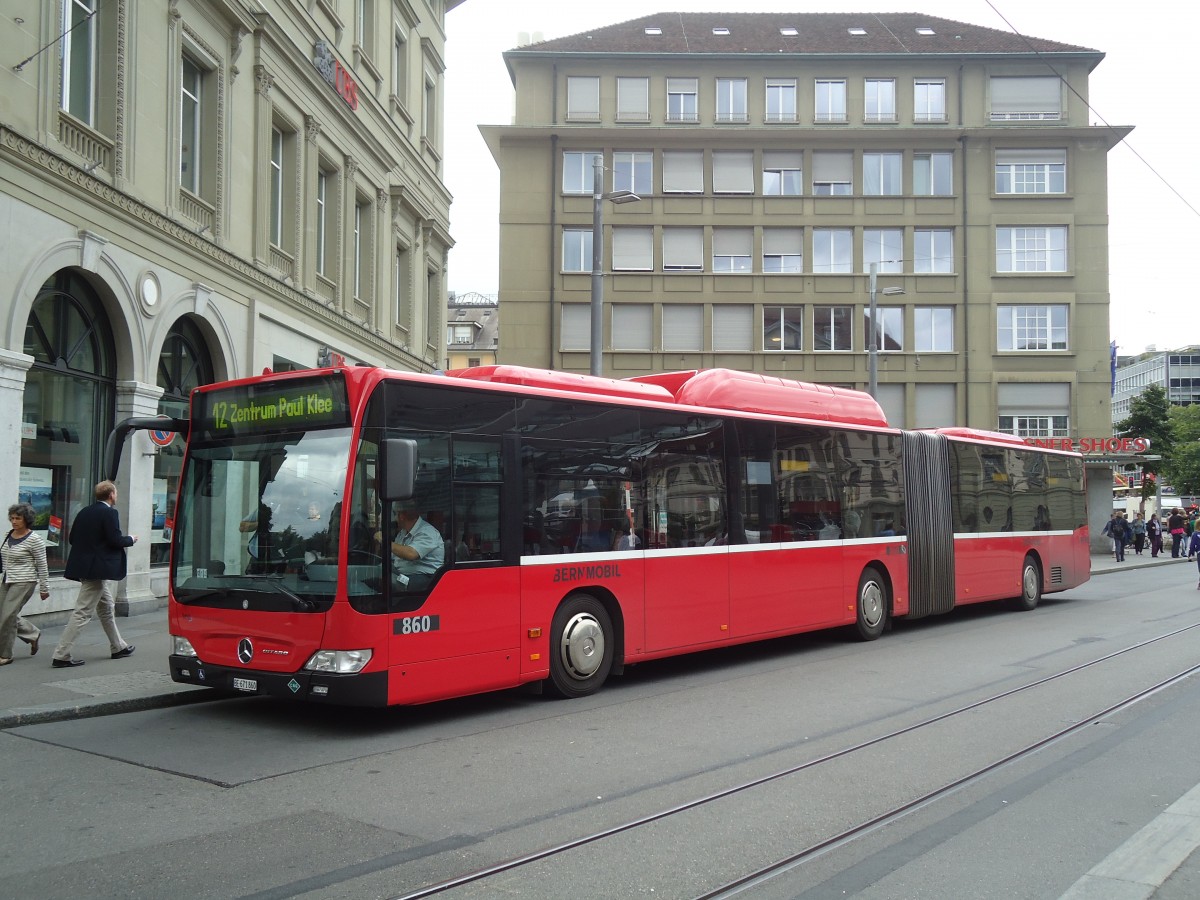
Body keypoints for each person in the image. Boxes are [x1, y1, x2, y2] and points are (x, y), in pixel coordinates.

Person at [51, 481, 137, 668]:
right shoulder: (110, 512)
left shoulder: (84, 511)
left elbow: (73, 538)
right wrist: (130, 539)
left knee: (106, 608)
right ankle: (61, 654)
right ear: (111, 495)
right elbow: (115, 540)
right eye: (116, 492)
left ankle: (118, 646)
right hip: (96, 570)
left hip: (85, 567)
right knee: (82, 612)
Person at [0, 503, 50, 665]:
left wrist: (44, 588)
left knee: (7, 616)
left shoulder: (34, 539)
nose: (14, 521)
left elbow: (42, 564)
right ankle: (32, 633)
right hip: (7, 579)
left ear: (26, 519)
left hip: (24, 581)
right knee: (6, 614)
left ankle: (5, 655)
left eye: (18, 518)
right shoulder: (9, 534)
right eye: (12, 518)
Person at [374, 500, 443, 590]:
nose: (394, 518)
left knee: (381, 582)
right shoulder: (402, 533)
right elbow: (394, 556)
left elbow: (411, 553)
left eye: (395, 514)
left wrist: (384, 541)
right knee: (375, 572)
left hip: (422, 578)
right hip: (402, 572)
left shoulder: (428, 532)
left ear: (401, 516)